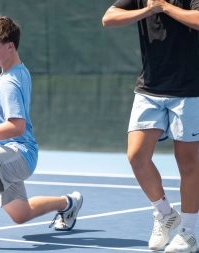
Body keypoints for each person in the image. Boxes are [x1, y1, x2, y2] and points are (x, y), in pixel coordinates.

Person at [0, 16, 83, 250]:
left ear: (10, 47)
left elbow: (16, 126)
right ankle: (68, 203)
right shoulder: (16, 72)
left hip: (19, 153)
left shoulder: (9, 81)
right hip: (9, 155)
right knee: (21, 213)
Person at [102, 1, 199, 252]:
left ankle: (188, 232)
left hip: (190, 90)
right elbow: (108, 18)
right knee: (136, 157)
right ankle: (164, 213)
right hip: (149, 89)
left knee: (188, 164)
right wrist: (148, 10)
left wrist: (165, 7)